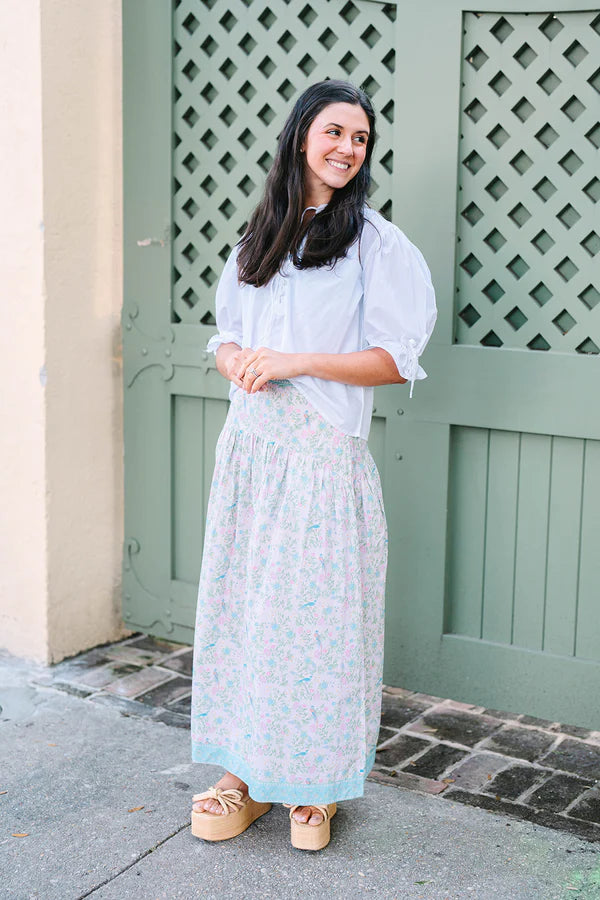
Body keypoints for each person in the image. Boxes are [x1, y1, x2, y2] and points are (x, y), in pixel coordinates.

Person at [190, 79, 437, 851]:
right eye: (335, 131)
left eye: (360, 139)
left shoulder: (375, 245)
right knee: (245, 614)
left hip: (321, 456)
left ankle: (316, 783)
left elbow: (396, 358)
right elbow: (225, 334)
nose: (347, 148)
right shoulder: (259, 237)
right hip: (252, 453)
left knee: (317, 623)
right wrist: (234, 359)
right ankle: (242, 775)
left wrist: (297, 361)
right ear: (302, 136)